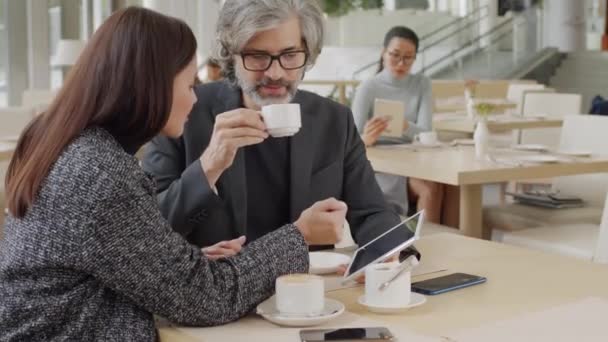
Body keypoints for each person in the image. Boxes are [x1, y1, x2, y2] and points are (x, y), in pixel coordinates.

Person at [0, 7, 347, 340]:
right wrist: (298, 236)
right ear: (150, 86)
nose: (195, 99)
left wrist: (181, 260)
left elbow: (106, 260)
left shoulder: (65, 143)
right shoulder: (101, 175)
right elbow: (206, 299)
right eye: (188, 84)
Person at [142, 0, 409, 256]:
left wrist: (394, 253)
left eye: (290, 55)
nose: (275, 73)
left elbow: (372, 212)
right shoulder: (186, 111)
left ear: (308, 54)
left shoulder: (334, 120)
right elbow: (147, 229)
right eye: (258, 56)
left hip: (309, 292)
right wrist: (208, 167)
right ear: (231, 55)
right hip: (218, 290)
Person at [352, 26, 457, 226]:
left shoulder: (422, 83)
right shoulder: (367, 88)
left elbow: (426, 132)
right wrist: (367, 138)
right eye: (395, 55)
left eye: (408, 57)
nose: (401, 63)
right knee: (430, 189)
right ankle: (423, 250)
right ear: (383, 53)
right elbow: (353, 140)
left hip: (415, 160)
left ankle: (457, 248)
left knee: (450, 185)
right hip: (382, 165)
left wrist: (404, 125)